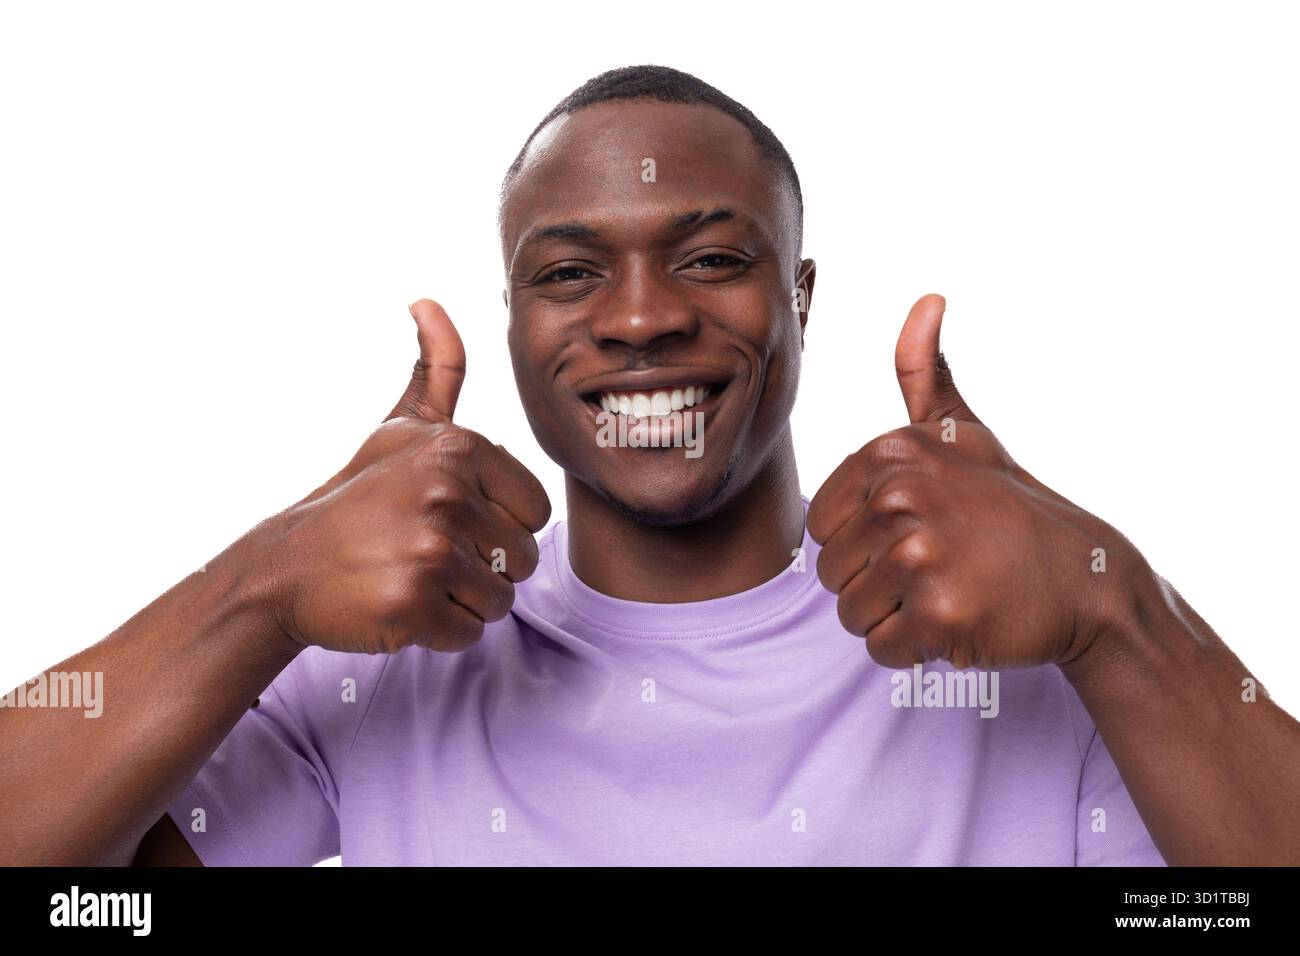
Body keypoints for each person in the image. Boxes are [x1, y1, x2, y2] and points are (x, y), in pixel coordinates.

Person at [3, 65, 1297, 866]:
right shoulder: (378, 667)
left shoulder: (1025, 653)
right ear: (513, 326)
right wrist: (268, 582)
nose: (638, 318)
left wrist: (1116, 609)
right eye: (569, 274)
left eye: (712, 257)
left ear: (800, 297)